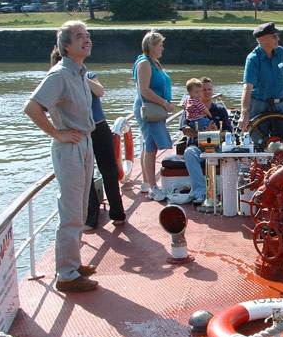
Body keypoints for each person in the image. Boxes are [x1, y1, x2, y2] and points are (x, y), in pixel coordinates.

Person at [24, 21, 99, 292]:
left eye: (88, 36)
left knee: (79, 209)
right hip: (70, 147)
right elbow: (32, 107)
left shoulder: (80, 73)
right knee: (70, 211)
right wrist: (57, 134)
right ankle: (66, 275)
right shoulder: (59, 74)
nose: (87, 40)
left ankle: (73, 263)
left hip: (84, 143)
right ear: (66, 46)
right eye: (80, 37)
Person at [49, 48, 126, 231]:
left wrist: (82, 76)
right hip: (80, 132)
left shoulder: (88, 75)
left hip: (99, 128)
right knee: (86, 176)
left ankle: (117, 213)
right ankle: (91, 217)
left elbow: (100, 91)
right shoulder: (59, 82)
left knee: (109, 171)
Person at [132, 30, 174, 201]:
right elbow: (144, 90)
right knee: (151, 146)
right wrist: (164, 103)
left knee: (148, 144)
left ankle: (146, 182)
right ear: (152, 46)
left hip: (154, 110)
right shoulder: (145, 63)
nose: (163, 48)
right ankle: (153, 187)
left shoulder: (153, 62)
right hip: (149, 110)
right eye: (160, 45)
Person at [237, 22, 283, 146]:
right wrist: (244, 113)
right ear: (261, 39)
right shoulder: (253, 59)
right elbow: (247, 88)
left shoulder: (281, 52)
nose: (278, 39)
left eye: (277, 35)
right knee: (259, 142)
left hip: (281, 104)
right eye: (274, 36)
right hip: (259, 105)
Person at [180, 77, 231, 206]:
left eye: (210, 89)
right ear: (196, 92)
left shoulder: (220, 110)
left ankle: (230, 191)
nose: (207, 92)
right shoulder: (189, 107)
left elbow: (229, 132)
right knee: (189, 154)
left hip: (217, 147)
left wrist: (216, 134)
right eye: (203, 90)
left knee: (234, 155)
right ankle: (200, 192)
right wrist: (202, 133)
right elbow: (185, 130)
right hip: (197, 147)